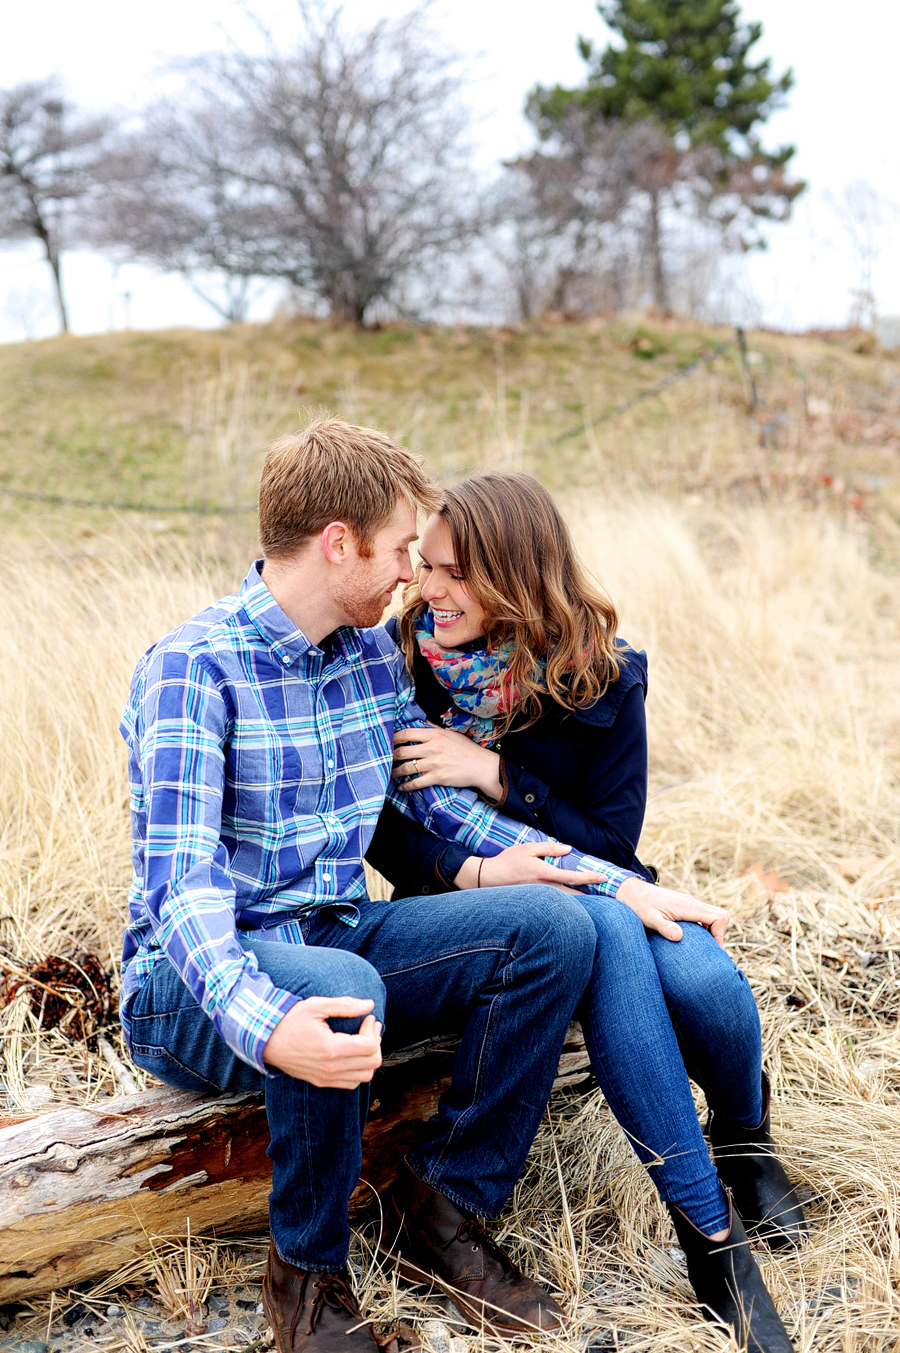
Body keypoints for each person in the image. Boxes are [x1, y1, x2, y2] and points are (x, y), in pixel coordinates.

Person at [119, 420, 725, 1353]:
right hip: (194, 984)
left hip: (340, 932)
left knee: (550, 929)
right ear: (338, 542)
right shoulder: (191, 670)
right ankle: (310, 1284)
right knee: (339, 987)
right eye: (402, 548)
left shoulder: (366, 662)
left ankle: (441, 1203)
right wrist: (267, 1019)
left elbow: (451, 816)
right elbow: (184, 892)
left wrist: (612, 884)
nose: (413, 572)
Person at [369, 472, 805, 1353]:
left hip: (602, 874)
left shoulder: (602, 674)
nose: (431, 588)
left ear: (518, 577)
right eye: (428, 566)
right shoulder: (397, 664)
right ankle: (711, 1241)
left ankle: (746, 1138)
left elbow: (611, 836)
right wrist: (480, 869)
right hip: (479, 907)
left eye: (457, 572)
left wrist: (493, 773)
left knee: (709, 986)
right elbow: (384, 834)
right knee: (611, 929)